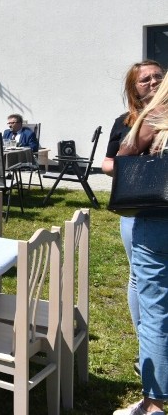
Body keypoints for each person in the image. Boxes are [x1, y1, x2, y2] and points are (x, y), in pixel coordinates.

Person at [103, 60, 164, 368]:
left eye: (157, 76)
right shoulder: (126, 121)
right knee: (139, 277)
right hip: (140, 206)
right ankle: (147, 342)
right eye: (145, 80)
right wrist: (145, 169)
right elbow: (108, 163)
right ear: (134, 90)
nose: (153, 82)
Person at [115, 75, 168, 415]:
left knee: (155, 313)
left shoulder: (158, 116)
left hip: (158, 220)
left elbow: (124, 157)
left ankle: (153, 404)